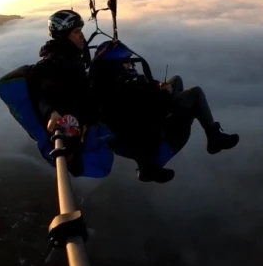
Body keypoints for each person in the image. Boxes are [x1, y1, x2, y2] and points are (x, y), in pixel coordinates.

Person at [89, 40, 239, 183]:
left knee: (177, 80)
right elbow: (148, 110)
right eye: (127, 62)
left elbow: (142, 95)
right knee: (195, 93)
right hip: (154, 122)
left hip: (148, 115)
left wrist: (158, 87)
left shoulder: (112, 84)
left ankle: (212, 135)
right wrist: (164, 94)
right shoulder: (121, 90)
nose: (130, 65)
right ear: (115, 66)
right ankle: (214, 138)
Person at [0, 9, 115, 178]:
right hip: (82, 122)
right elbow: (45, 92)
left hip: (90, 114)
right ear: (63, 36)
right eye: (76, 32)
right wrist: (51, 113)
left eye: (81, 31)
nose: (82, 36)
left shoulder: (70, 59)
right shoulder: (52, 63)